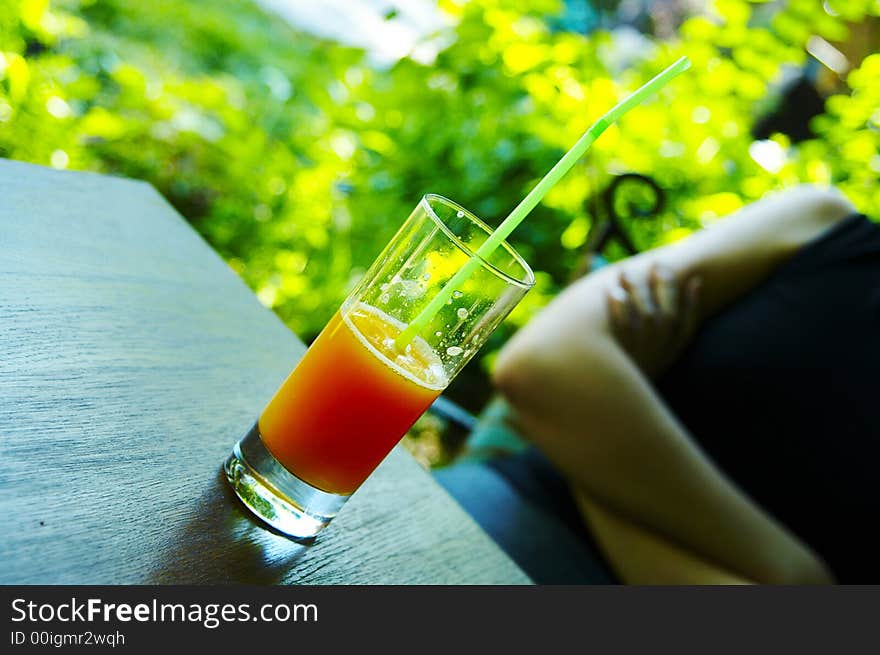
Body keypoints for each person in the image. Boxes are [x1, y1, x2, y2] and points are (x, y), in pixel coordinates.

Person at [437, 184, 880, 584]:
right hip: (508, 510)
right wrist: (788, 570)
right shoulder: (823, 225)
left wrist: (585, 437)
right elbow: (541, 361)